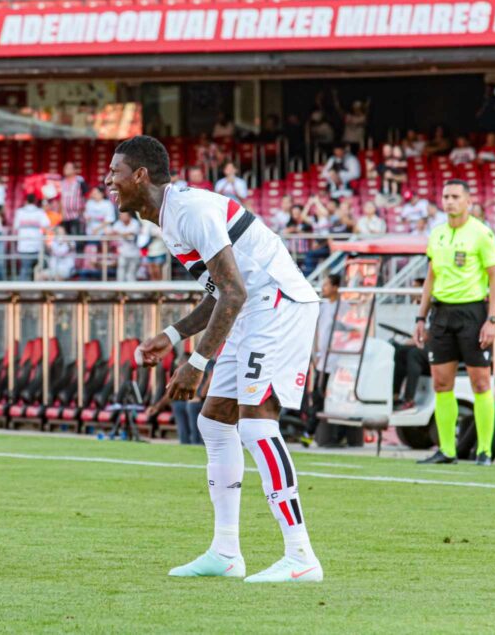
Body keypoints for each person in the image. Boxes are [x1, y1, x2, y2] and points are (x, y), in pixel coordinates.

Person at [116, 135, 324, 583]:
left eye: (115, 174)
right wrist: (172, 336)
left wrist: (196, 363)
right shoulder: (170, 218)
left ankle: (301, 555)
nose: (108, 183)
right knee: (215, 420)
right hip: (251, 307)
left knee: (256, 422)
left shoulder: (190, 211)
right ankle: (226, 552)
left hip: (279, 302)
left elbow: (236, 290)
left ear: (140, 175)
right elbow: (221, 293)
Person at [414, 179, 495, 465]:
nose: (449, 201)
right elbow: (431, 276)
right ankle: (447, 450)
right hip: (441, 314)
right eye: (445, 195)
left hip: (473, 313)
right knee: (441, 383)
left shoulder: (481, 233)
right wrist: (420, 316)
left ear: (468, 200)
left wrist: (492, 320)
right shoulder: (437, 234)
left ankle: (485, 450)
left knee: (480, 382)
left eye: (455, 196)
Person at [305, 274, 340, 441]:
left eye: (326, 285)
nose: (323, 288)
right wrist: (316, 353)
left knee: (333, 395)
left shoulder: (344, 307)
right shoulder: (323, 307)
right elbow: (317, 332)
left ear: (335, 287)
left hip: (339, 360)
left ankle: (332, 435)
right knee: (318, 395)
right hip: (323, 359)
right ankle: (310, 432)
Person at [13, 194, 51, 281]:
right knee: (39, 270)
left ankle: (22, 291)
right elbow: (47, 225)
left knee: (25, 269)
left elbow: (15, 226)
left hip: (24, 246)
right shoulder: (40, 212)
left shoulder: (20, 212)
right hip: (37, 245)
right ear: (35, 201)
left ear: (26, 201)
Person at [111, 212, 142, 282]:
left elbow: (130, 233)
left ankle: (132, 292)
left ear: (129, 216)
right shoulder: (118, 223)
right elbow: (111, 233)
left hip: (134, 253)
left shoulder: (135, 223)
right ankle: (120, 291)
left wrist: (119, 233)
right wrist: (123, 234)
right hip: (122, 252)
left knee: (131, 274)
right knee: (121, 272)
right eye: (121, 215)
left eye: (124, 215)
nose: (122, 217)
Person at [58, 162, 87, 236]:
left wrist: (82, 211)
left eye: (68, 168)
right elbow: (60, 198)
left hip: (77, 215)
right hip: (65, 216)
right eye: (65, 168)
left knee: (77, 237)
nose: (65, 170)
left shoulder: (79, 181)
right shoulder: (62, 182)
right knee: (67, 237)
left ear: (74, 170)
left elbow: (86, 196)